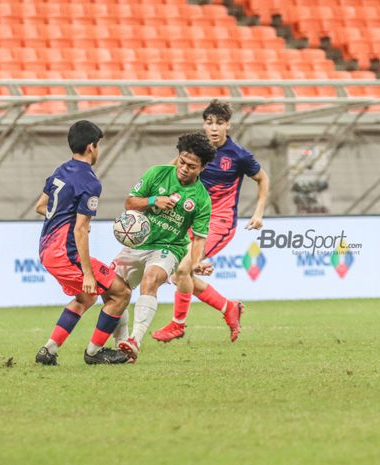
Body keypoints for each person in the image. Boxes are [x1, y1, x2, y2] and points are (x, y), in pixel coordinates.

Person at [152, 100, 270, 343]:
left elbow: (262, 178)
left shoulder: (238, 155)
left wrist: (258, 213)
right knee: (179, 276)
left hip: (219, 222)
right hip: (191, 220)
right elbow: (173, 171)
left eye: (219, 123)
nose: (214, 128)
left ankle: (177, 325)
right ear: (203, 125)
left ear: (228, 125)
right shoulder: (196, 151)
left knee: (183, 269)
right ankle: (229, 308)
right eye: (209, 123)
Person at [34, 120, 132, 366]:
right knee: (121, 293)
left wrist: (62, 220)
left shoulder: (61, 171)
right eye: (98, 146)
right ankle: (94, 352)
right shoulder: (90, 182)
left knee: (85, 298)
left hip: (46, 249)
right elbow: (80, 230)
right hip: (65, 253)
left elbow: (40, 207)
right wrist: (88, 273)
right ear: (91, 147)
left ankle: (49, 350)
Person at [113, 132, 216, 362]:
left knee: (151, 280)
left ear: (202, 168)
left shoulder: (201, 199)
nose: (184, 168)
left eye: (192, 166)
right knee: (113, 292)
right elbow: (130, 203)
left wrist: (195, 263)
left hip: (168, 248)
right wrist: (152, 201)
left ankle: (135, 341)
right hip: (137, 243)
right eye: (182, 161)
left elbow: (198, 238)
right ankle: (121, 345)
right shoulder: (157, 173)